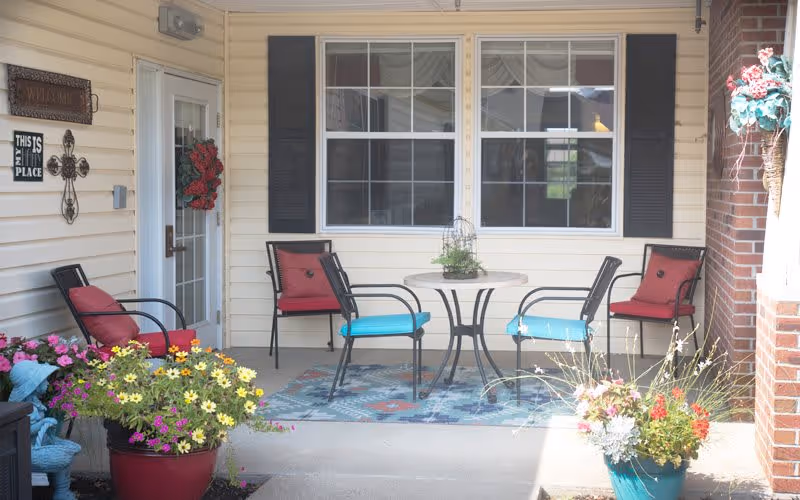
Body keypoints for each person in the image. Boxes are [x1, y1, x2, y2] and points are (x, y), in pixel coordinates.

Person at [9, 360, 81, 500]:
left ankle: (61, 490)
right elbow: (26, 431)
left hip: (41, 442)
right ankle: (61, 492)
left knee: (66, 452)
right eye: (44, 381)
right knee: (62, 460)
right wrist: (43, 422)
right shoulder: (28, 409)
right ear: (35, 385)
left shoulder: (34, 403)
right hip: (30, 449)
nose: (48, 383)